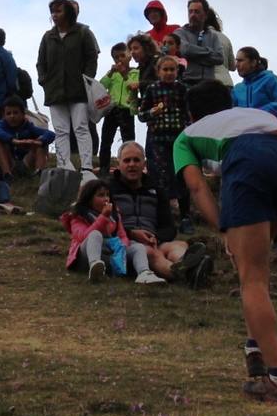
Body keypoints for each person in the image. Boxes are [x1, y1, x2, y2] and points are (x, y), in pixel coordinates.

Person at [175, 80, 277, 402]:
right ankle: (255, 349)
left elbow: (197, 188)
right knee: (256, 271)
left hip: (250, 158)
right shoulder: (252, 113)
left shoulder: (188, 135)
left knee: (252, 278)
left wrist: (223, 228)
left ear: (192, 114)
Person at [107, 142, 208, 286]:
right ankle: (186, 274)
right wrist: (132, 234)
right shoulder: (108, 189)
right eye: (127, 160)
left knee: (178, 245)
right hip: (124, 243)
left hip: (154, 241)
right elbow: (105, 224)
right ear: (119, 164)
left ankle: (187, 265)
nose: (132, 164)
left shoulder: (156, 190)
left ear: (144, 163)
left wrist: (156, 237)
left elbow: (169, 227)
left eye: (136, 160)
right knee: (148, 252)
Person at [35, 0, 100, 173]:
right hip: (55, 91)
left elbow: (91, 57)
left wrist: (87, 79)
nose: (55, 15)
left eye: (58, 11)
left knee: (80, 127)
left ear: (68, 13)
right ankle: (64, 165)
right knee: (61, 129)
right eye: (53, 12)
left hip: (78, 90)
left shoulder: (83, 32)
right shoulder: (48, 36)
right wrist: (44, 80)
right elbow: (41, 62)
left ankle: (86, 165)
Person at [138, 54, 191, 230]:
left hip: (179, 139)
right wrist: (152, 113)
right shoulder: (152, 89)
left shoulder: (182, 89)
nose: (169, 73)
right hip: (157, 140)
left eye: (172, 69)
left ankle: (185, 217)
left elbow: (188, 113)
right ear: (158, 71)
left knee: (181, 176)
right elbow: (141, 115)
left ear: (177, 71)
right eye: (165, 69)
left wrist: (189, 130)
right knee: (160, 177)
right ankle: (163, 217)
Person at [61, 180, 145, 283]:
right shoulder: (78, 217)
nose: (106, 199)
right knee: (95, 235)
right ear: (89, 199)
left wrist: (120, 248)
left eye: (107, 195)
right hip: (85, 256)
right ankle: (95, 266)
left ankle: (144, 272)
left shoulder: (114, 215)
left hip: (109, 252)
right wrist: (103, 217)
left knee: (137, 246)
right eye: (100, 195)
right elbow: (83, 237)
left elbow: (122, 235)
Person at [0, 99, 55, 178]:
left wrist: (39, 142)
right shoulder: (2, 126)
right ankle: (7, 174)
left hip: (26, 161)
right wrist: (13, 140)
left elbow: (50, 134)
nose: (12, 116)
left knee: (41, 143)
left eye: (16, 113)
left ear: (23, 114)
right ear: (4, 116)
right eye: (8, 113)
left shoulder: (29, 127)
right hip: (10, 161)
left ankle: (39, 173)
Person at [96, 43, 138, 170]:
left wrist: (124, 74)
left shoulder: (135, 72)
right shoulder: (113, 74)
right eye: (116, 57)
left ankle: (129, 166)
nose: (119, 59)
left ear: (129, 56)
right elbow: (101, 86)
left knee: (129, 140)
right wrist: (110, 73)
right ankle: (104, 168)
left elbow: (133, 86)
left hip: (127, 110)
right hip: (112, 109)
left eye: (122, 56)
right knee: (106, 140)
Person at [174, 0, 226, 86]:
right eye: (190, 11)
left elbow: (219, 58)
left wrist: (194, 55)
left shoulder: (213, 36)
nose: (193, 15)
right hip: (187, 83)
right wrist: (209, 51)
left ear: (205, 15)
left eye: (197, 12)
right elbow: (185, 50)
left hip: (208, 85)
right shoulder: (180, 33)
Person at [231, 47, 277, 120]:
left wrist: (258, 114)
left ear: (253, 62)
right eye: (236, 61)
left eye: (240, 61)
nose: (237, 65)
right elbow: (231, 114)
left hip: (267, 130)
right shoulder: (237, 89)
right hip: (245, 130)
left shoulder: (269, 79)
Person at [203, 4, 235, 87]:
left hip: (205, 84)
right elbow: (233, 66)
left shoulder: (195, 36)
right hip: (226, 83)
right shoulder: (225, 38)